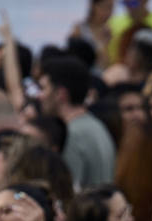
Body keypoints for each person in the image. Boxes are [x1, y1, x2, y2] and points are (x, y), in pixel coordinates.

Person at [41, 55, 116, 188]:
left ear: (60, 94)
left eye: (43, 88)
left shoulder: (72, 134)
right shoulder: (97, 125)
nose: (39, 95)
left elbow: (70, 192)